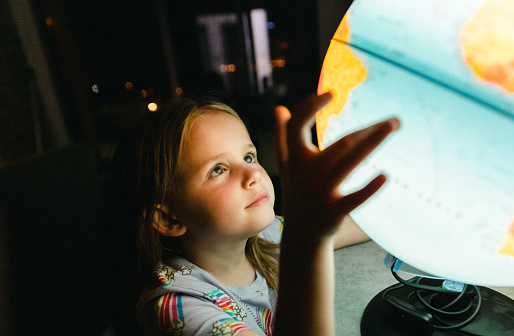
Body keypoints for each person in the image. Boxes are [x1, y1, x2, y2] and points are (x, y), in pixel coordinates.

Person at [112, 92, 399, 336]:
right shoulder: (177, 308)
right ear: (169, 219)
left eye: (249, 157)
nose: (252, 173)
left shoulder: (266, 235)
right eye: (218, 169)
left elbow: (362, 225)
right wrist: (308, 235)